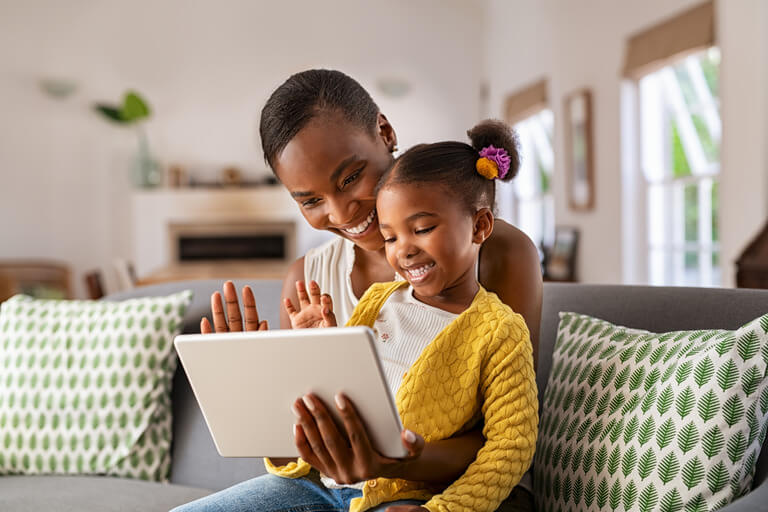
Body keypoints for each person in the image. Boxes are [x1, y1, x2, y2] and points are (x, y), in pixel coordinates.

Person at [193, 70, 542, 511]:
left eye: (350, 177)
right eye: (310, 201)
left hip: (432, 493)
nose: (341, 212)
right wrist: (253, 398)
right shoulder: (307, 281)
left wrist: (391, 462)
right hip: (323, 489)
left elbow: (507, 436)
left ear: (384, 132)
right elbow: (300, 457)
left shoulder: (497, 251)